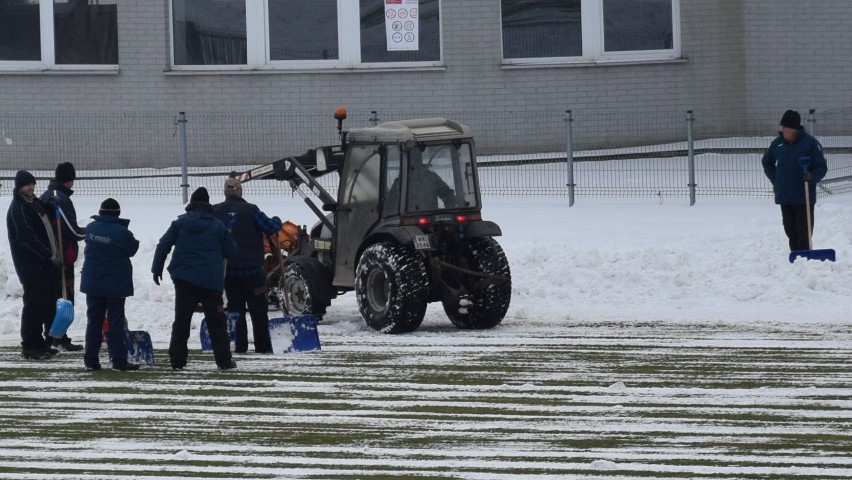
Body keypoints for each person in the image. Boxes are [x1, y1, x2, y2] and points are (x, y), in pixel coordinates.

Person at [151, 187, 239, 371]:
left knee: (181, 320)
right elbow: (231, 251)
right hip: (210, 281)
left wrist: (156, 268)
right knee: (216, 323)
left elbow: (163, 244)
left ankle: (177, 361)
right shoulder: (217, 226)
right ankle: (224, 361)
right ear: (208, 205)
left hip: (184, 279)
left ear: (191, 203)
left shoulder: (180, 223)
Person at [212, 178, 282, 354]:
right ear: (240, 192)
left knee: (236, 309)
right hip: (252, 272)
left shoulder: (216, 211)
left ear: (225, 193)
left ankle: (240, 346)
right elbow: (271, 227)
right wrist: (277, 220)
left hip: (229, 272)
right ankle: (263, 346)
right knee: (258, 311)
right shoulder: (251, 210)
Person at [6, 170, 62, 360]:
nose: (30, 188)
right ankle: (29, 345)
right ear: (19, 187)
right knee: (33, 306)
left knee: (44, 305)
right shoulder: (18, 209)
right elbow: (26, 238)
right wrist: (47, 255)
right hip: (31, 266)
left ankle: (39, 343)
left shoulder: (34, 203)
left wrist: (48, 206)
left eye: (32, 184)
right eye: (27, 185)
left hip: (43, 265)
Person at [80, 198, 140, 371]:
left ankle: (91, 360)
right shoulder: (122, 233)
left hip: (93, 283)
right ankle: (118, 360)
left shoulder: (91, 228)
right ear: (117, 213)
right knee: (115, 322)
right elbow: (133, 249)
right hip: (115, 284)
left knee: (94, 322)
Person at [761, 110, 828, 251]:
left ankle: (804, 257)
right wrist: (776, 179)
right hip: (784, 196)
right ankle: (795, 258)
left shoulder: (810, 144)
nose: (783, 131)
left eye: (786, 129)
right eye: (782, 128)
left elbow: (821, 167)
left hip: (803, 196)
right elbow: (767, 161)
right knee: (790, 230)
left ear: (794, 129)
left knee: (803, 231)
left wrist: (812, 176)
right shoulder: (778, 143)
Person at [40, 161, 86, 351]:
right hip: (61, 255)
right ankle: (57, 337)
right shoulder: (59, 198)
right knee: (63, 297)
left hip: (52, 255)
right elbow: (71, 230)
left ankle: (55, 336)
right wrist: (88, 232)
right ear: (70, 180)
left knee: (55, 297)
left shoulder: (49, 194)